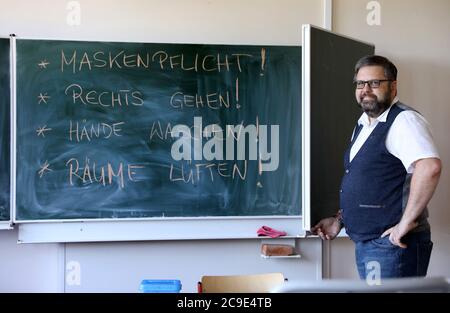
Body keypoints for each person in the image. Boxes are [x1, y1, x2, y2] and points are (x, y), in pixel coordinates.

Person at [311, 55, 442, 279]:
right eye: (360, 84)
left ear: (393, 85)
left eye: (374, 83)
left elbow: (429, 167)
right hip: (371, 244)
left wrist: (404, 224)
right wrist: (340, 220)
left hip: (393, 244)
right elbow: (372, 182)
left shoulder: (404, 121)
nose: (366, 89)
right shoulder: (363, 125)